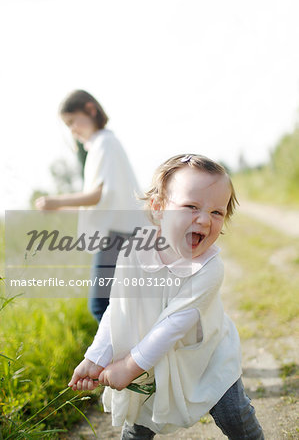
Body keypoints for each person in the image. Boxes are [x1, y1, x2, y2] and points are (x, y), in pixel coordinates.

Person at [68, 154, 264, 439]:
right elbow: (118, 310)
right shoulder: (133, 251)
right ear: (159, 208)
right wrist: (96, 357)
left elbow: (172, 326)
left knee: (235, 415)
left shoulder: (209, 267)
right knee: (139, 422)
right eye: (191, 207)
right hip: (150, 359)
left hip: (206, 355)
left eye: (216, 212)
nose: (204, 220)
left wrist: (126, 367)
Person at [35, 89, 144, 322]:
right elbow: (99, 202)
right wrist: (59, 208)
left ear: (91, 110)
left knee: (100, 306)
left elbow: (96, 195)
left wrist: (56, 200)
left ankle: (129, 357)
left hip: (116, 235)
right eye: (67, 124)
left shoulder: (105, 143)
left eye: (73, 120)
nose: (72, 129)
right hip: (121, 233)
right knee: (117, 305)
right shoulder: (102, 145)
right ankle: (135, 353)